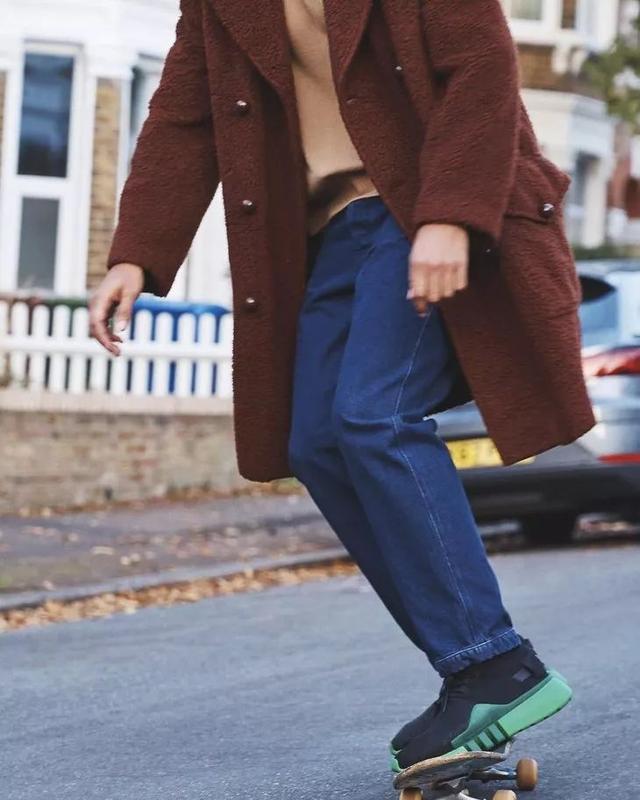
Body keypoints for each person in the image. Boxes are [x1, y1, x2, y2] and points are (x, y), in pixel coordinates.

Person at [90, 0, 594, 772]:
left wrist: (450, 215)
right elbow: (185, 119)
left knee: (374, 416)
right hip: (331, 236)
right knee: (317, 441)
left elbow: (482, 65)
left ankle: (493, 661)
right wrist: (136, 253)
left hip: (416, 204)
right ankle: (475, 670)